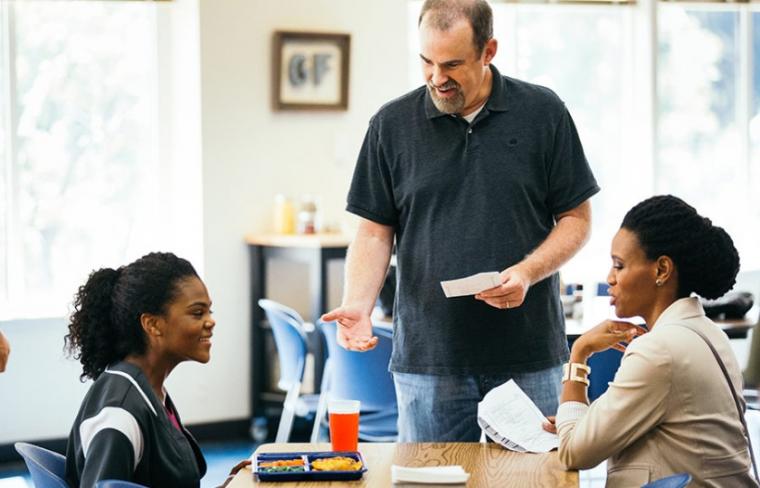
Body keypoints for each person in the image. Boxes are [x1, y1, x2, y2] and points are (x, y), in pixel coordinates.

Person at [321, 0, 599, 442]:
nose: (436, 77)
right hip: (429, 362)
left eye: (452, 64)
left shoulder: (544, 113)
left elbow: (576, 220)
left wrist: (527, 273)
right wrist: (359, 302)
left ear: (489, 50)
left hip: (529, 356)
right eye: (426, 62)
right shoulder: (391, 125)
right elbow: (374, 231)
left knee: (536, 479)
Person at [543, 195, 756, 486]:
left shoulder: (659, 350)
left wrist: (579, 353)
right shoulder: (707, 331)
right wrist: (584, 424)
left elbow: (572, 453)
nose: (610, 279)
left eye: (619, 266)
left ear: (661, 270)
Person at [64, 252, 250, 488]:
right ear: (152, 324)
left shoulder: (147, 388)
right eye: (197, 312)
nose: (210, 322)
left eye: (209, 311)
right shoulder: (120, 415)